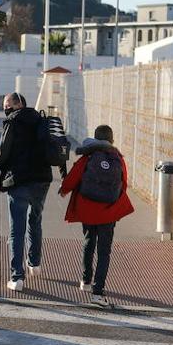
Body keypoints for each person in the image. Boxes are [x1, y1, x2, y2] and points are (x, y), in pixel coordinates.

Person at [0, 92, 53, 292]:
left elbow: (2, 152)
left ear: (18, 104)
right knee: (35, 221)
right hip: (42, 180)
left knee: (17, 230)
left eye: (7, 105)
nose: (5, 109)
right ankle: (35, 264)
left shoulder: (12, 122)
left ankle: (17, 277)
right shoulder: (41, 120)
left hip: (19, 180)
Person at [58, 124, 134, 307]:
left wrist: (64, 189)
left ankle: (85, 281)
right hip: (108, 211)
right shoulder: (118, 158)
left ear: (95, 137)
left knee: (88, 241)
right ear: (111, 140)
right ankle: (98, 293)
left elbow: (74, 175)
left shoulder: (89, 155)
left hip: (88, 208)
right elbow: (124, 183)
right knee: (104, 251)